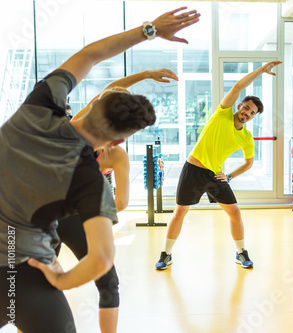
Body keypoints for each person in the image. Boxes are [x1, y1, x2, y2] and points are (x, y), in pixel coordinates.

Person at [0, 7, 200, 332]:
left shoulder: (37, 108)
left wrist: (149, 30)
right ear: (120, 140)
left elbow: (91, 54)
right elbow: (102, 259)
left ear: (93, 104)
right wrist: (61, 279)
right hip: (22, 273)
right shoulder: (87, 180)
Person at [54, 69, 178, 333]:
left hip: (69, 214)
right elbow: (112, 86)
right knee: (32, 282)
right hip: (50, 214)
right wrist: (147, 74)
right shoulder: (81, 125)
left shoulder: (112, 151)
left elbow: (121, 202)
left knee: (106, 282)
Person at [155, 60, 282, 270]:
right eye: (247, 108)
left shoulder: (247, 138)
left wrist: (229, 176)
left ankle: (241, 253)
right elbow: (238, 87)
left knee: (235, 212)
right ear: (240, 105)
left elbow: (249, 163)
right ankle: (166, 254)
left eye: (252, 113)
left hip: (215, 175)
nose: (247, 114)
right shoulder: (222, 113)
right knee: (180, 213)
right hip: (193, 171)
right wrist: (260, 70)